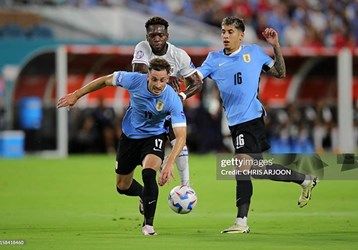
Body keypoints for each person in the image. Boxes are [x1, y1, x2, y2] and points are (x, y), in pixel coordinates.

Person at [196, 16, 318, 233]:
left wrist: (276, 47)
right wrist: (181, 90)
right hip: (235, 122)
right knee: (259, 170)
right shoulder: (213, 59)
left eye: (231, 31)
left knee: (241, 165)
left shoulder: (253, 53)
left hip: (251, 118)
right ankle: (305, 179)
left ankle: (241, 222)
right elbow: (196, 79)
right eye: (223, 31)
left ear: (241, 35)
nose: (225, 35)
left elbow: (280, 73)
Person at [57, 58, 186, 236]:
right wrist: (76, 95)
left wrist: (170, 161)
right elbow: (104, 80)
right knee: (122, 187)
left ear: (167, 78)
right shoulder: (133, 80)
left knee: (149, 173)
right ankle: (143, 194)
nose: (158, 84)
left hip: (154, 136)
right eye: (154, 79)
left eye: (162, 80)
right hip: (129, 137)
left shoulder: (172, 99)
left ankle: (148, 225)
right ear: (148, 75)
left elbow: (181, 136)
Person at [132, 16, 202, 186]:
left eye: (160, 35)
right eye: (152, 35)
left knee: (178, 138)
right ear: (147, 37)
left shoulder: (179, 55)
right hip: (144, 108)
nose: (156, 38)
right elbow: (139, 75)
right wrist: (165, 79)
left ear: (167, 36)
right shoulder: (142, 48)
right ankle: (146, 188)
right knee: (130, 173)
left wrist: (181, 96)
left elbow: (197, 82)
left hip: (168, 107)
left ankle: (186, 186)